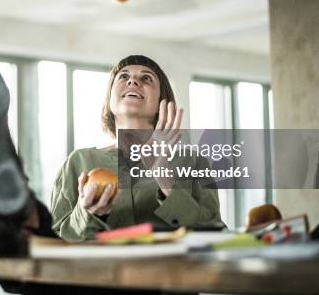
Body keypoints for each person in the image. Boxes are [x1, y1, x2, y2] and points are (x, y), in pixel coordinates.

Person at [50, 55, 223, 242]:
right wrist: (87, 214)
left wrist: (165, 181)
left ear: (161, 102)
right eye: (123, 76)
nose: (132, 80)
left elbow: (214, 234)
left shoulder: (194, 162)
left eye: (146, 78)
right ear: (110, 99)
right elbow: (56, 241)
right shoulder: (78, 161)